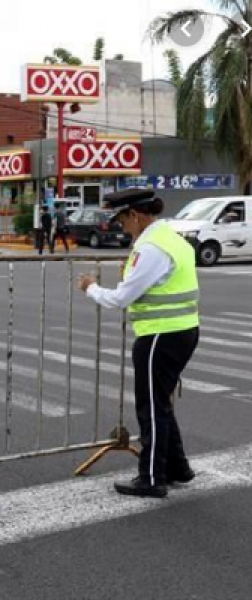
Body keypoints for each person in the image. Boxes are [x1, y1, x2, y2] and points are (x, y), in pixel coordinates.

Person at [76, 189, 199, 498]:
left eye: (122, 219)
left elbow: (120, 298)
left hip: (160, 335)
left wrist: (91, 288)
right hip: (182, 330)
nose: (121, 226)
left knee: (152, 408)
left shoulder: (151, 246)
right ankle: (177, 468)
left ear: (135, 214)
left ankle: (152, 478)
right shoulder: (172, 239)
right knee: (161, 404)